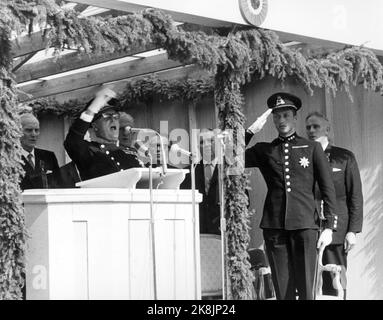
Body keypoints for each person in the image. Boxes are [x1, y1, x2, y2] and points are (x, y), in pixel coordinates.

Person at [245, 92, 338, 300]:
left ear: (295, 117)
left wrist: (330, 226)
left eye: (286, 115)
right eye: (277, 116)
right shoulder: (264, 150)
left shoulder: (312, 148)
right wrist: (250, 132)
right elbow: (229, 159)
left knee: (307, 289)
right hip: (275, 227)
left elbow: (327, 188)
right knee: (282, 290)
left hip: (305, 224)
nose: (281, 120)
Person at [306, 111, 363, 299]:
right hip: (308, 228)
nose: (311, 130)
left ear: (327, 130)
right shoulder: (302, 159)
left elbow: (355, 196)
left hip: (337, 231)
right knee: (309, 283)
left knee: (335, 283)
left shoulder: (344, 157)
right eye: (308, 127)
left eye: (316, 126)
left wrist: (352, 231)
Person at [64, 88, 142, 181]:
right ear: (95, 126)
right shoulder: (88, 150)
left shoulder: (130, 150)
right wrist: (91, 110)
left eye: (116, 116)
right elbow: (72, 141)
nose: (113, 119)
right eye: (107, 116)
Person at [180, 128, 220, 234]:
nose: (206, 145)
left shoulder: (229, 169)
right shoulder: (189, 173)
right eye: (202, 142)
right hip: (197, 231)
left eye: (211, 141)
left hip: (222, 231)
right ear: (198, 147)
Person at [19, 112, 60, 190]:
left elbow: (59, 185)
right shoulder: (9, 159)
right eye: (29, 130)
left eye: (36, 130)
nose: (34, 134)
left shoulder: (49, 156)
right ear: (18, 132)